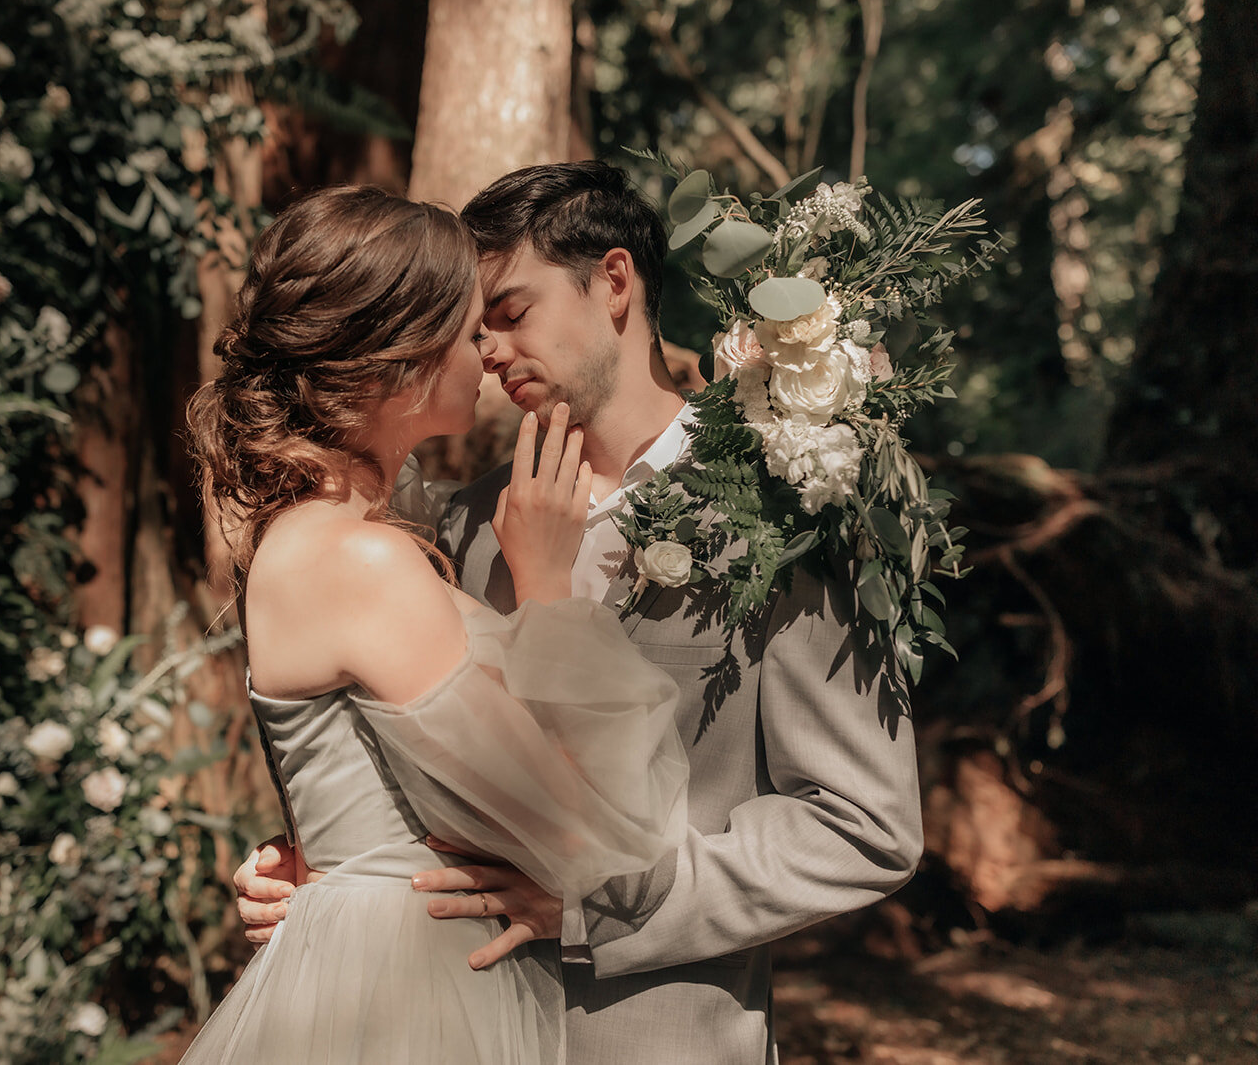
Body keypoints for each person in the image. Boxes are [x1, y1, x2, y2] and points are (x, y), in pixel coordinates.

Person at [235, 162, 925, 1064]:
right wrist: (311, 870)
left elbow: (863, 824)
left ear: (612, 281)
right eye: (472, 328)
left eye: (510, 313)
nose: (485, 350)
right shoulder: (451, 526)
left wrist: (594, 905)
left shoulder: (786, 514)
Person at [178, 184, 694, 1064]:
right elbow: (579, 825)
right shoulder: (364, 561)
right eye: (466, 331)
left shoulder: (321, 538)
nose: (486, 354)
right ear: (402, 361)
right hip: (408, 993)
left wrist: (310, 860)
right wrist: (543, 580)